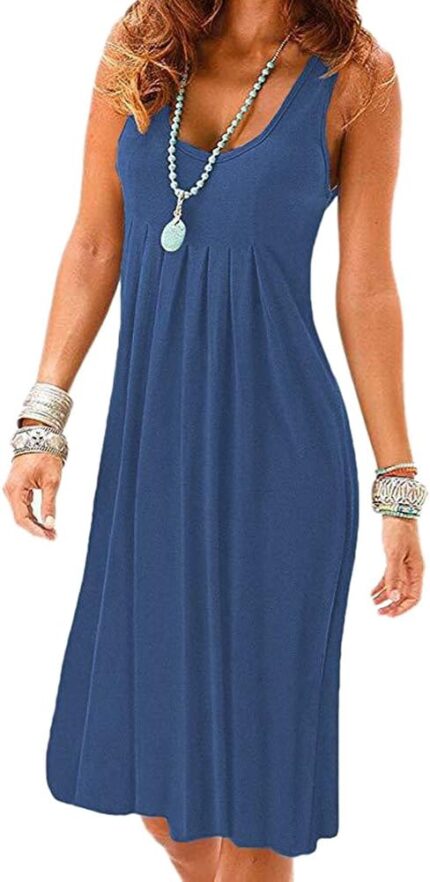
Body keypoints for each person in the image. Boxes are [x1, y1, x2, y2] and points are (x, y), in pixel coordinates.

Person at [3, 1, 426, 880]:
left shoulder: (358, 76)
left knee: (255, 795)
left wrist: (399, 489)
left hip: (284, 466)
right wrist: (43, 417)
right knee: (165, 796)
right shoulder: (142, 46)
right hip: (152, 461)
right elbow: (94, 244)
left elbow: (367, 288)